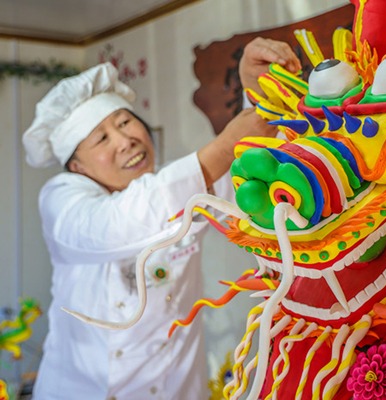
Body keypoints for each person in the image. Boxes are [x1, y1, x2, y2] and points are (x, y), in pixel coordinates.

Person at [22, 37, 301, 400]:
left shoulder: (179, 180)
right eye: (101, 139)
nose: (125, 141)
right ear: (77, 167)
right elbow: (114, 226)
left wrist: (257, 91)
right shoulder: (61, 198)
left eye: (125, 122)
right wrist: (219, 148)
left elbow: (244, 179)